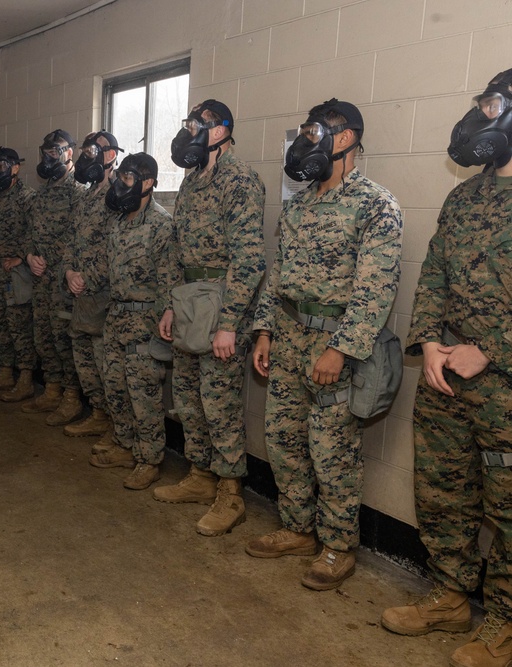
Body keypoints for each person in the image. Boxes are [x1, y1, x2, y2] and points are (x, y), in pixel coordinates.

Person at [379, 68, 512, 667]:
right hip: (446, 370)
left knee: (508, 506)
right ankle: (452, 595)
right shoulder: (467, 194)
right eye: (483, 104)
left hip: (503, 381)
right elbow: (433, 273)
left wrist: (491, 347)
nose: (483, 115)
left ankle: (506, 624)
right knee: (443, 493)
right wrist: (429, 342)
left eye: (494, 105)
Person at [248, 99, 402, 590]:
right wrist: (266, 330)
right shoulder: (300, 203)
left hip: (333, 344)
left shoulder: (376, 205)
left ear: (346, 138)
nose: (307, 141)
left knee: (331, 448)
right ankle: (297, 527)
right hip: (289, 334)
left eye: (317, 132)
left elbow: (376, 288)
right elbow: (278, 275)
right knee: (284, 438)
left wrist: (340, 349)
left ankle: (337, 545)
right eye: (305, 131)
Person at [154, 100, 266, 537]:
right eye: (187, 125)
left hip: (221, 302)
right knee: (187, 396)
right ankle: (200, 476)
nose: (189, 132)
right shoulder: (191, 181)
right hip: (188, 302)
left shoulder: (239, 180)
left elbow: (250, 259)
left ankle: (230, 492)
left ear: (220, 131)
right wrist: (170, 304)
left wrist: (229, 323)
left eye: (197, 125)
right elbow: (177, 250)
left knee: (220, 404)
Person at [89, 153, 173, 490]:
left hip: (145, 322)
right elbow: (107, 269)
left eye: (128, 178)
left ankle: (150, 459)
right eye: (120, 176)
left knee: (144, 395)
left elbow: (169, 278)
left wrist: (164, 319)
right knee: (115, 387)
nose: (121, 183)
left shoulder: (161, 225)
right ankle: (126, 446)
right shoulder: (118, 222)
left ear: (148, 182)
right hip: (116, 317)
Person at [21, 130, 87, 421]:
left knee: (64, 340)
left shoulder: (79, 193)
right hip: (40, 280)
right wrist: (29, 256)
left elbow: (79, 240)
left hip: (63, 282)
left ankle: (71, 398)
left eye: (56, 152)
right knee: (43, 337)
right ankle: (51, 391)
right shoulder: (42, 193)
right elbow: (28, 234)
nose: (50, 158)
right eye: (46, 153)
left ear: (70, 153)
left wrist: (59, 264)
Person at [62, 131, 121, 445]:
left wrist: (87, 277)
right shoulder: (85, 196)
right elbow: (71, 240)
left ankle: (114, 424)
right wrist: (70, 271)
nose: (87, 157)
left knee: (104, 362)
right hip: (79, 292)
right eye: (85, 151)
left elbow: (114, 247)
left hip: (101, 294)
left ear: (110, 156)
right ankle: (97, 414)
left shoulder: (116, 194)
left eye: (94, 151)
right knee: (83, 359)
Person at [0, 147, 37, 398]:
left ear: (15, 168)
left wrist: (21, 256)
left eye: (2, 166)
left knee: (18, 324)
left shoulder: (27, 197)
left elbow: (35, 231)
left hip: (15, 273)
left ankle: (25, 378)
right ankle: (4, 371)